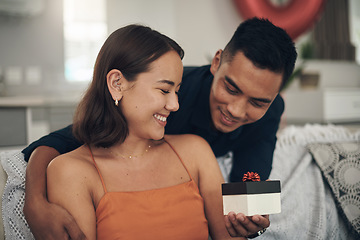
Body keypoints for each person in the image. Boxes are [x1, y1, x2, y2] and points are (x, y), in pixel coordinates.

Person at [23, 17, 297, 239]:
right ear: (216, 62)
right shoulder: (172, 93)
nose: (237, 111)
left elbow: (250, 181)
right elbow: (59, 141)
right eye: (231, 88)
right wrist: (34, 202)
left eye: (258, 102)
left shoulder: (268, 113)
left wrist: (253, 223)